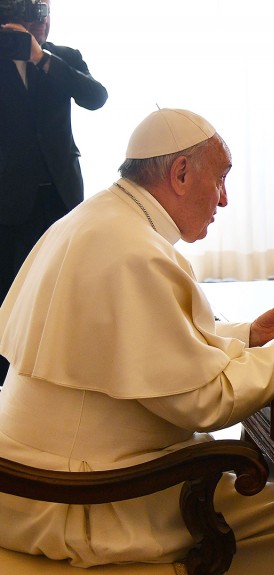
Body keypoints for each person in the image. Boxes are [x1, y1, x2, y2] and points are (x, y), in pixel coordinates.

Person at [0, 108, 274, 573]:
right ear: (181, 173)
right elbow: (207, 402)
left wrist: (253, 335)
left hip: (32, 480)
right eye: (222, 179)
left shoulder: (99, 218)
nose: (226, 199)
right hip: (82, 498)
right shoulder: (136, 252)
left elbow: (142, 341)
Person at [0, 0, 107, 383]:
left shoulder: (63, 56)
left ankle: (61, 371)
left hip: (61, 193)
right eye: (29, 22)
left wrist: (42, 58)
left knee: (63, 284)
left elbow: (96, 97)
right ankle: (8, 382)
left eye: (43, 20)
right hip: (8, 196)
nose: (38, 28)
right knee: (10, 287)